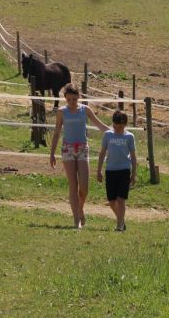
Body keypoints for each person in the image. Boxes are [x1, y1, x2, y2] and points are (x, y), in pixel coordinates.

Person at [48, 84, 109, 229]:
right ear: (65, 99)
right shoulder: (62, 112)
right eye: (69, 99)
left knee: (84, 186)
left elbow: (100, 125)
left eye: (74, 99)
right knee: (73, 185)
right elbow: (57, 132)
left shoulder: (85, 110)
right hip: (67, 149)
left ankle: (80, 208)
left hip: (82, 148)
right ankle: (76, 219)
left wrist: (115, 132)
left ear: (78, 97)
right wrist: (52, 153)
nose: (72, 102)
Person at [96, 110, 138, 232]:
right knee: (111, 201)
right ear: (112, 124)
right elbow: (102, 153)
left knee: (121, 199)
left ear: (125, 125)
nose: (118, 129)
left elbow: (133, 157)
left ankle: (119, 225)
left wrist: (133, 174)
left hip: (124, 170)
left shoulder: (129, 137)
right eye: (116, 126)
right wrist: (99, 170)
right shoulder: (107, 135)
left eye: (121, 127)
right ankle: (122, 219)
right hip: (110, 170)